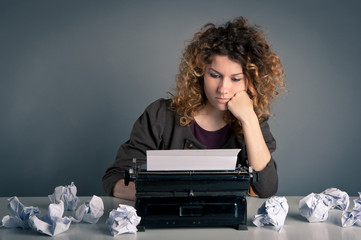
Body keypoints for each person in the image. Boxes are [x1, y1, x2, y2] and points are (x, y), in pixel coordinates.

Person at [102, 17, 285, 200]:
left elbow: (266, 188)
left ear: (251, 80)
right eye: (214, 75)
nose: (223, 88)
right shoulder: (160, 115)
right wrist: (166, 195)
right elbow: (115, 179)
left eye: (236, 79)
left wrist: (248, 119)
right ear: (200, 72)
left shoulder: (253, 120)